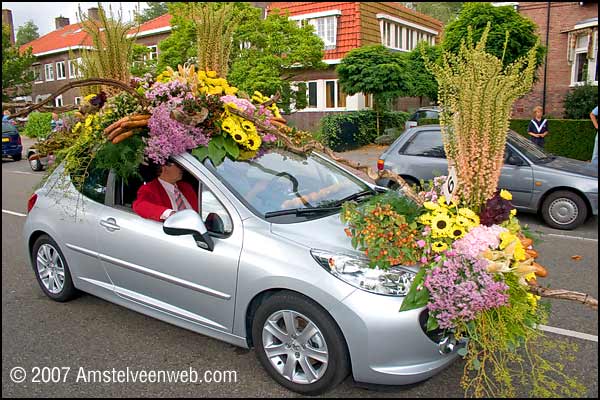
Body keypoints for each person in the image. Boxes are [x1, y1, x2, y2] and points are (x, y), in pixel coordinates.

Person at [133, 160, 199, 222]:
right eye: (178, 165)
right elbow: (140, 205)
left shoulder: (187, 187)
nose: (182, 168)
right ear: (164, 167)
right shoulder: (149, 189)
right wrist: (169, 213)